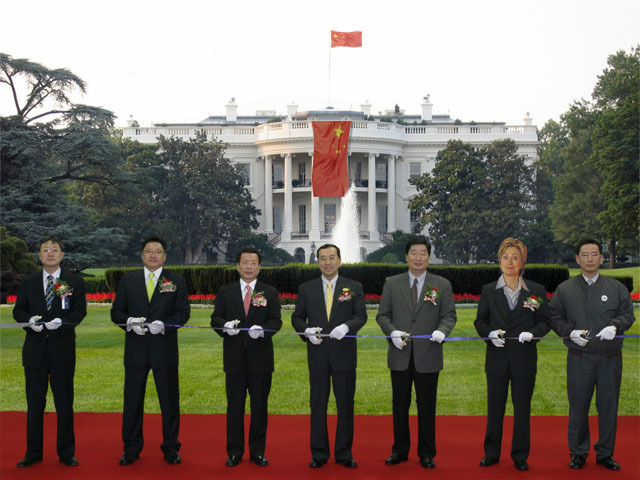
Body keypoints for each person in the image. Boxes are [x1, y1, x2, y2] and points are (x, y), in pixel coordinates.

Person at [549, 238, 635, 471]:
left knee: (608, 407)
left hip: (609, 360)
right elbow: (554, 317)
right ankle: (578, 452)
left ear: (602, 257)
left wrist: (616, 326)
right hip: (579, 359)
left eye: (594, 254)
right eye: (584, 254)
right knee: (578, 407)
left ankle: (605, 453)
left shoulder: (616, 288)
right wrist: (570, 332)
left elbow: (628, 314)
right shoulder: (565, 289)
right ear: (577, 259)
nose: (589, 259)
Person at [376, 236, 456, 469]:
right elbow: (383, 315)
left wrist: (442, 331)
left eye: (423, 253)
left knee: (427, 405)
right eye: (414, 253)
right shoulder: (393, 283)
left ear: (429, 257)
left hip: (428, 355)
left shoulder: (441, 284)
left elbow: (449, 315)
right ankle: (399, 450)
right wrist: (391, 332)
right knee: (399, 405)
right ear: (407, 256)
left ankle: (427, 453)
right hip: (399, 355)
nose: (418, 257)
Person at [111, 236, 190, 466]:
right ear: (142, 255)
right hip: (135, 350)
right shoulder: (129, 281)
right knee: (132, 401)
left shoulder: (175, 281)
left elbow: (183, 313)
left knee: (169, 401)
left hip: (164, 350)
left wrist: (165, 324)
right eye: (148, 251)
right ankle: (131, 448)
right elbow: (116, 312)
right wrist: (129, 321)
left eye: (158, 251)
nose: (153, 255)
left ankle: (171, 448)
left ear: (165, 256)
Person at [473, 237, 550, 472]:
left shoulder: (535, 291)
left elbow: (545, 322)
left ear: (522, 261)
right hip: (496, 361)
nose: (510, 261)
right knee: (495, 408)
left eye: (515, 257)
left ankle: (519, 455)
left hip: (523, 360)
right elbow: (480, 321)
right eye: (506, 257)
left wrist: (533, 333)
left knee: (522, 409)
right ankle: (492, 453)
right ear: (499, 260)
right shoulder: (489, 290)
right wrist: (490, 334)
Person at [13, 237, 87, 468]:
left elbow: (79, 311)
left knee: (64, 403)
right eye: (46, 250)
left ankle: (66, 453)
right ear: (39, 254)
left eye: (55, 250)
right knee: (35, 404)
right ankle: (33, 453)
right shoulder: (29, 281)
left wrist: (62, 322)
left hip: (62, 350)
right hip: (34, 351)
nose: (50, 253)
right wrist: (29, 321)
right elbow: (18, 310)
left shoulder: (73, 281)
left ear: (62, 255)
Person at [291, 244, 367, 469]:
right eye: (323, 258)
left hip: (344, 355)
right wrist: (306, 331)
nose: (328, 262)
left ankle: (344, 453)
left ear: (340, 260)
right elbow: (297, 318)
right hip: (317, 354)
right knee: (317, 405)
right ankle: (319, 453)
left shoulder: (353, 287)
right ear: (317, 262)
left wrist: (347, 326)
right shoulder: (307, 288)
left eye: (332, 257)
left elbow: (360, 315)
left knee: (345, 405)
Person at [210, 247, 282, 467]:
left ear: (259, 267)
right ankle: (234, 452)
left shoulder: (269, 292)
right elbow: (215, 319)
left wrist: (263, 331)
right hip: (234, 360)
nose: (249, 266)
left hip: (260, 360)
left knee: (260, 407)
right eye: (245, 262)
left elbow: (276, 321)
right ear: (237, 265)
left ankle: (258, 452)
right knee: (234, 408)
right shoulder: (225, 291)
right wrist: (225, 326)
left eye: (253, 263)